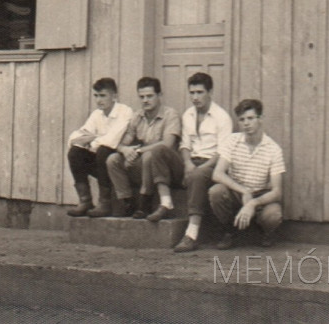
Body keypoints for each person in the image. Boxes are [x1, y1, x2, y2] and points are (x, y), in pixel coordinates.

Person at [208, 99, 285, 249]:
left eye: (250, 118)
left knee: (273, 215)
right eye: (242, 119)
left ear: (260, 119)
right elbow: (217, 174)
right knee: (216, 192)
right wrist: (243, 191)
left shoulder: (273, 149)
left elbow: (277, 192)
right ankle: (229, 231)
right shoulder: (232, 141)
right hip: (237, 193)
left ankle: (264, 232)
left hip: (260, 196)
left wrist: (253, 203)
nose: (246, 123)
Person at [106, 77, 183, 220]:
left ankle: (145, 201)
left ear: (159, 95)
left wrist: (139, 151)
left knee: (150, 154)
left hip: (167, 168)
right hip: (144, 166)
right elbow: (123, 142)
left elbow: (168, 144)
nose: (145, 100)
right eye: (141, 97)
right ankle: (127, 201)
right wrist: (125, 150)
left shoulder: (170, 115)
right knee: (113, 160)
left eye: (149, 96)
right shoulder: (137, 116)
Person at [172, 72, 233, 253]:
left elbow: (223, 153)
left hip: (211, 165)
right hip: (192, 162)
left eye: (199, 92)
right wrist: (187, 164)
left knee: (197, 175)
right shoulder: (188, 114)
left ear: (210, 92)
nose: (195, 97)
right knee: (161, 154)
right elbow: (184, 145)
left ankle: (191, 234)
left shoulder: (222, 117)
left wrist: (198, 168)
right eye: (192, 93)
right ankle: (160, 203)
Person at [66, 78, 133, 218]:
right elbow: (75, 138)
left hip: (117, 161)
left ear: (114, 96)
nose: (98, 100)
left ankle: (105, 203)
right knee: (75, 153)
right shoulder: (97, 114)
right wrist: (92, 140)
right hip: (100, 160)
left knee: (104, 149)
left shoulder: (125, 111)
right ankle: (85, 201)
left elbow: (111, 141)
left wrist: (91, 140)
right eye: (96, 96)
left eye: (103, 95)